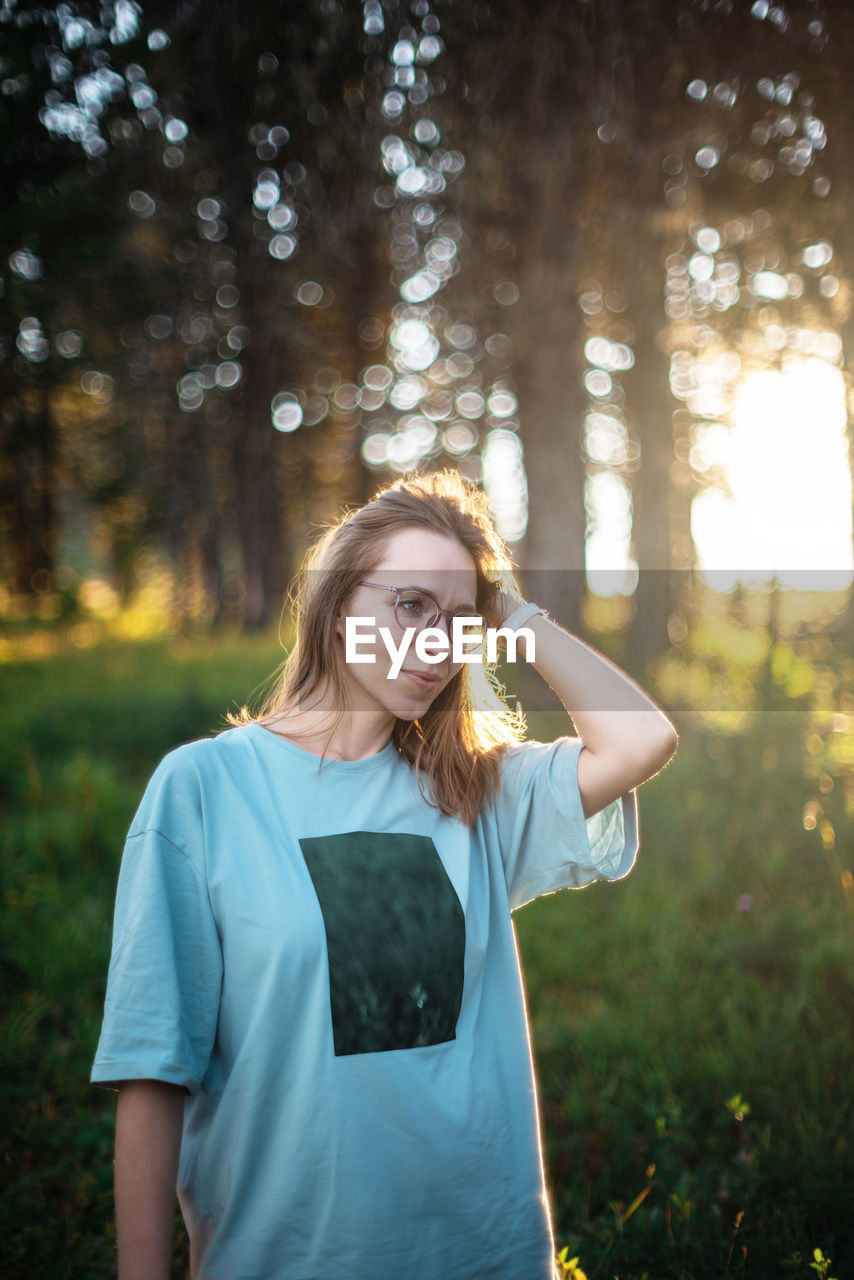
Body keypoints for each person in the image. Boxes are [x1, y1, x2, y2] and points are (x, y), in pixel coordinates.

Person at [91, 470, 677, 1280]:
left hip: (482, 1256)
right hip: (285, 1257)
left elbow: (641, 742)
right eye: (410, 605)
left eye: (458, 623)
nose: (436, 643)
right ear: (337, 604)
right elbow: (154, 1069)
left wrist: (507, 608)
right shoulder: (206, 789)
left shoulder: (477, 789)